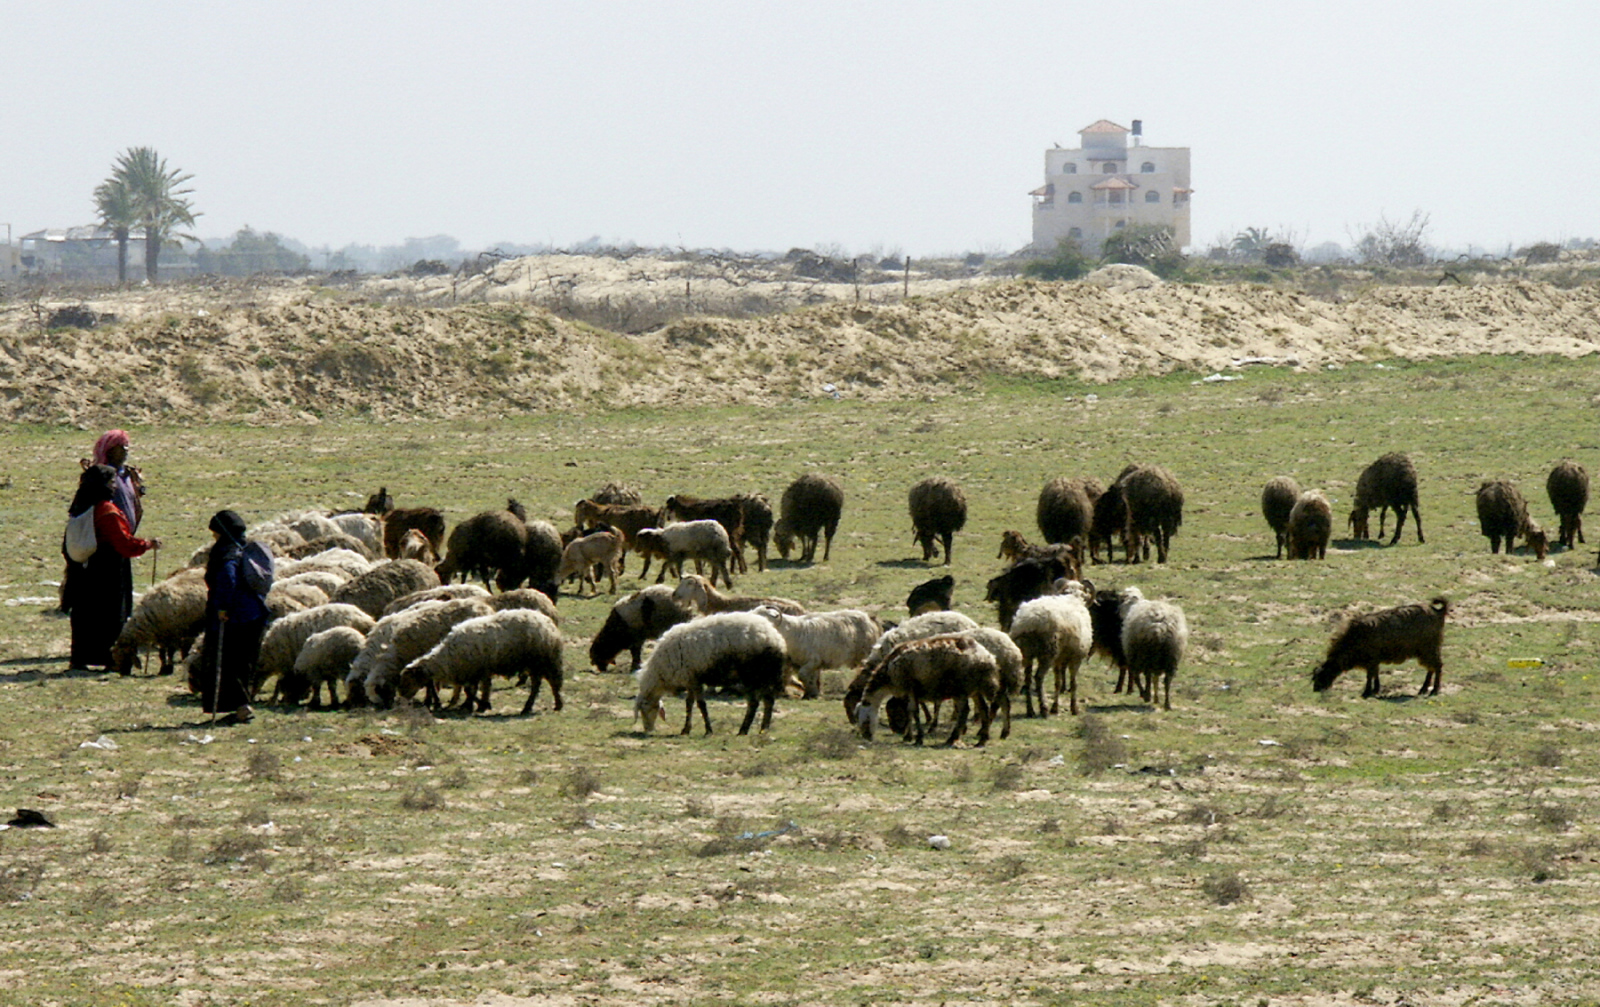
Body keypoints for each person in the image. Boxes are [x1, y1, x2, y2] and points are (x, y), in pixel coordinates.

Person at [63, 465, 161, 671]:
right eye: (111, 482)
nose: (114, 486)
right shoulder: (106, 510)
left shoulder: (80, 507)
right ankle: (110, 658)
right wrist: (147, 544)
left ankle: (80, 658)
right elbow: (123, 542)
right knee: (109, 615)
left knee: (83, 615)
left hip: (82, 569)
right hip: (107, 571)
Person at [200, 510, 268, 723]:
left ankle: (241, 708)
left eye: (216, 534)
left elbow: (227, 579)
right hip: (254, 613)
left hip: (234, 617)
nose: (214, 538)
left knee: (228, 663)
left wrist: (222, 607)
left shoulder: (226, 553)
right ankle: (240, 707)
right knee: (244, 662)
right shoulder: (245, 547)